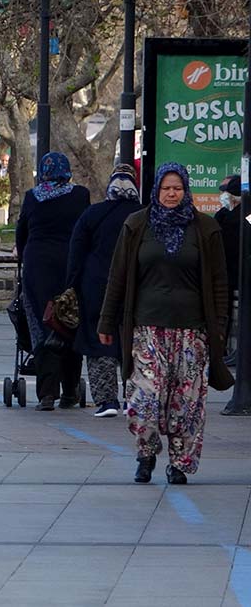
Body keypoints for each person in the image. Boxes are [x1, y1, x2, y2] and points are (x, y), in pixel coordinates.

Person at [98, 162, 229, 485]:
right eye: (166, 188)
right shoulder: (136, 225)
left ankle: (180, 463)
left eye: (178, 188)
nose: (171, 194)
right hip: (146, 329)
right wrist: (105, 321)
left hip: (192, 330)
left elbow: (219, 283)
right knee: (145, 398)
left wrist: (221, 327)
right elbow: (118, 276)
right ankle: (146, 452)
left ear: (186, 191)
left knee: (186, 403)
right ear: (156, 191)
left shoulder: (206, 229)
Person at [16, 152, 91, 411]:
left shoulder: (32, 197)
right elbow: (85, 230)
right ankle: (70, 391)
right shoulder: (80, 195)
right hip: (70, 266)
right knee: (69, 323)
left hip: (38, 267)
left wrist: (23, 258)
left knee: (43, 324)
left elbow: (21, 233)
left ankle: (47, 393)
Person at [65, 165, 142, 417]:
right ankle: (136, 397)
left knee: (98, 338)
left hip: (96, 285)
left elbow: (76, 252)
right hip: (136, 286)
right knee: (134, 342)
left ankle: (107, 400)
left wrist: (72, 285)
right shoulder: (144, 215)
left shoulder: (92, 214)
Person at [213, 176, 248, 365]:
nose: (223, 196)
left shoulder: (223, 216)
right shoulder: (247, 215)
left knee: (224, 312)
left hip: (227, 273)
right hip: (239, 272)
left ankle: (221, 349)